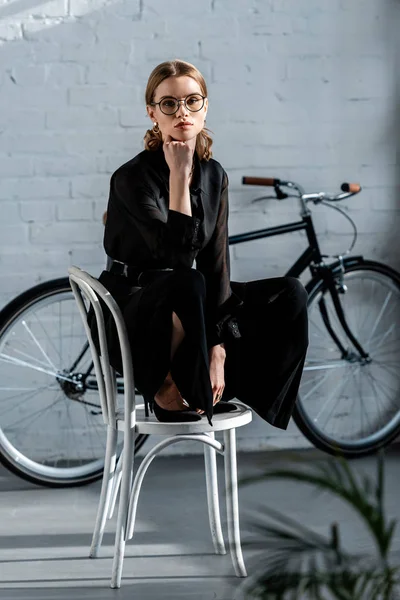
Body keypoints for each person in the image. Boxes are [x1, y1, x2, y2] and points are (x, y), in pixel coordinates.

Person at [96, 59, 308, 427]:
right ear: (152, 113)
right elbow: (176, 260)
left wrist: (219, 346)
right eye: (169, 104)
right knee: (187, 281)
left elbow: (215, 262)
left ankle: (212, 386)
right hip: (132, 313)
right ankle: (167, 386)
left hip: (185, 306)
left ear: (205, 107)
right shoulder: (131, 179)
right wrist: (179, 173)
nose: (182, 112)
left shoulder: (213, 175)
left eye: (192, 101)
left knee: (288, 294)